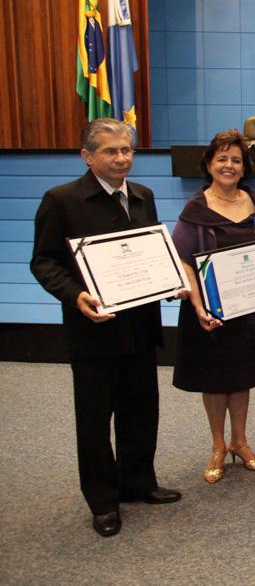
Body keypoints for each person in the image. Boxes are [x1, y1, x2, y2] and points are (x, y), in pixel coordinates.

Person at [30, 118, 181, 537]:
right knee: (95, 420)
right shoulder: (61, 200)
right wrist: (75, 295)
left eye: (126, 150)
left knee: (141, 411)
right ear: (87, 156)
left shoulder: (143, 195)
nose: (121, 159)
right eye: (110, 151)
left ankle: (138, 483)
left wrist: (169, 282)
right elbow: (44, 261)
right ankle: (103, 500)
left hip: (141, 327)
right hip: (94, 330)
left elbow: (149, 254)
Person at [172, 130, 255, 483]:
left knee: (242, 377)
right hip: (210, 312)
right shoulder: (196, 208)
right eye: (222, 159)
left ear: (244, 167)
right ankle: (218, 446)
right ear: (208, 165)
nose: (229, 166)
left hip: (248, 310)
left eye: (236, 160)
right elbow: (184, 260)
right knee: (215, 380)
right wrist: (197, 306)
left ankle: (240, 442)